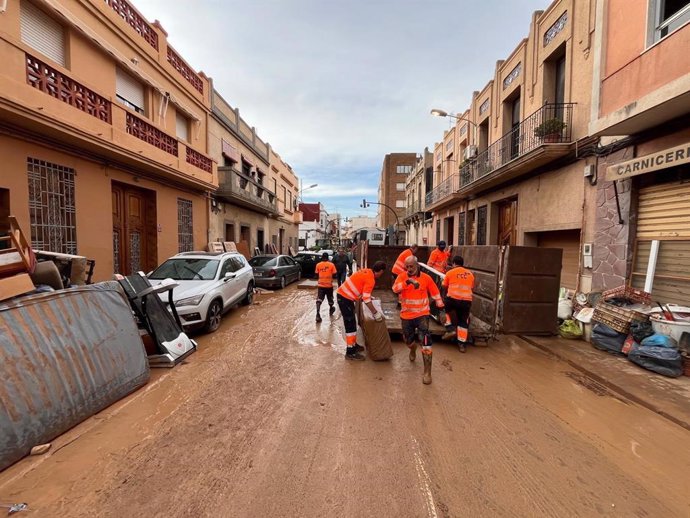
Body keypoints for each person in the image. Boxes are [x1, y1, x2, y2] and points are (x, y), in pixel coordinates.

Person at [392, 256, 444, 384]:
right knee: (408, 341)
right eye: (407, 267)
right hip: (406, 316)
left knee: (426, 342)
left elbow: (436, 293)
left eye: (411, 266)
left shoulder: (426, 278)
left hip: (422, 315)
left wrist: (441, 308)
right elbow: (394, 289)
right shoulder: (403, 277)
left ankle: (427, 373)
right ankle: (412, 348)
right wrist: (407, 282)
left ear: (418, 266)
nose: (409, 269)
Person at [336, 261, 387, 361]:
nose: (382, 274)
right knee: (350, 326)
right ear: (380, 271)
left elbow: (362, 290)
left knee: (352, 324)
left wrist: (367, 296)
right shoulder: (371, 280)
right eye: (382, 272)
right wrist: (375, 313)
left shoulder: (367, 271)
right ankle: (350, 352)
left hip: (344, 296)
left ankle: (353, 345)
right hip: (344, 299)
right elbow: (367, 300)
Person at [442, 255, 475, 353]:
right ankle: (462, 345)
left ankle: (450, 329)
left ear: (454, 263)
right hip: (466, 301)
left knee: (443, 310)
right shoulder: (470, 274)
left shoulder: (450, 272)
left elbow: (444, 286)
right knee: (463, 321)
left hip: (452, 299)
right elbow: (472, 288)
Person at [314, 252, 337, 323]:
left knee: (319, 299)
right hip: (329, 285)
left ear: (322, 257)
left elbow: (316, 275)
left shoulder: (318, 265)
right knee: (330, 299)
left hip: (321, 285)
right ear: (328, 257)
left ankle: (318, 313)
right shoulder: (331, 265)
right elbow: (335, 274)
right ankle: (331, 308)